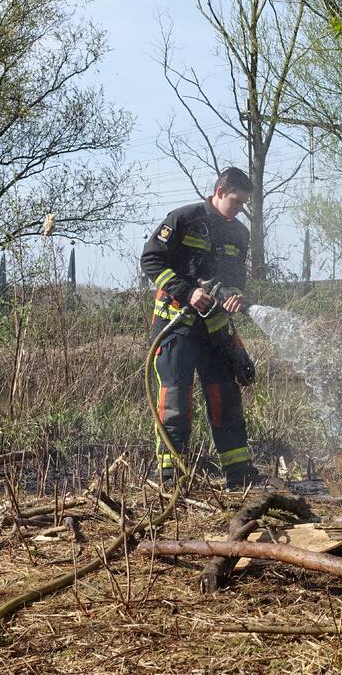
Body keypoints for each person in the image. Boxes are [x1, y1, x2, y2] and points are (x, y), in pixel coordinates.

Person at [140, 167, 261, 489]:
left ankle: (239, 474)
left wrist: (235, 295)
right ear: (219, 191)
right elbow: (151, 261)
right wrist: (188, 292)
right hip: (175, 326)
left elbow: (237, 279)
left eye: (244, 205)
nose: (239, 210)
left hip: (215, 331)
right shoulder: (184, 218)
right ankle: (172, 475)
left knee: (226, 399)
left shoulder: (239, 233)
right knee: (176, 401)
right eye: (236, 202)